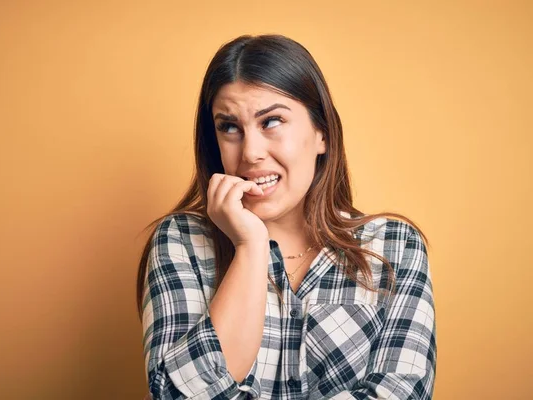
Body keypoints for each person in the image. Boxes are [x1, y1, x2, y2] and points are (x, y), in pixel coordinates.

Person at [136, 34, 436, 399]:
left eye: (272, 121)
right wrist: (250, 246)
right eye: (229, 127)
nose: (250, 153)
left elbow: (401, 391)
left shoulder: (394, 246)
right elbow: (179, 396)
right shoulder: (181, 242)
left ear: (321, 132)